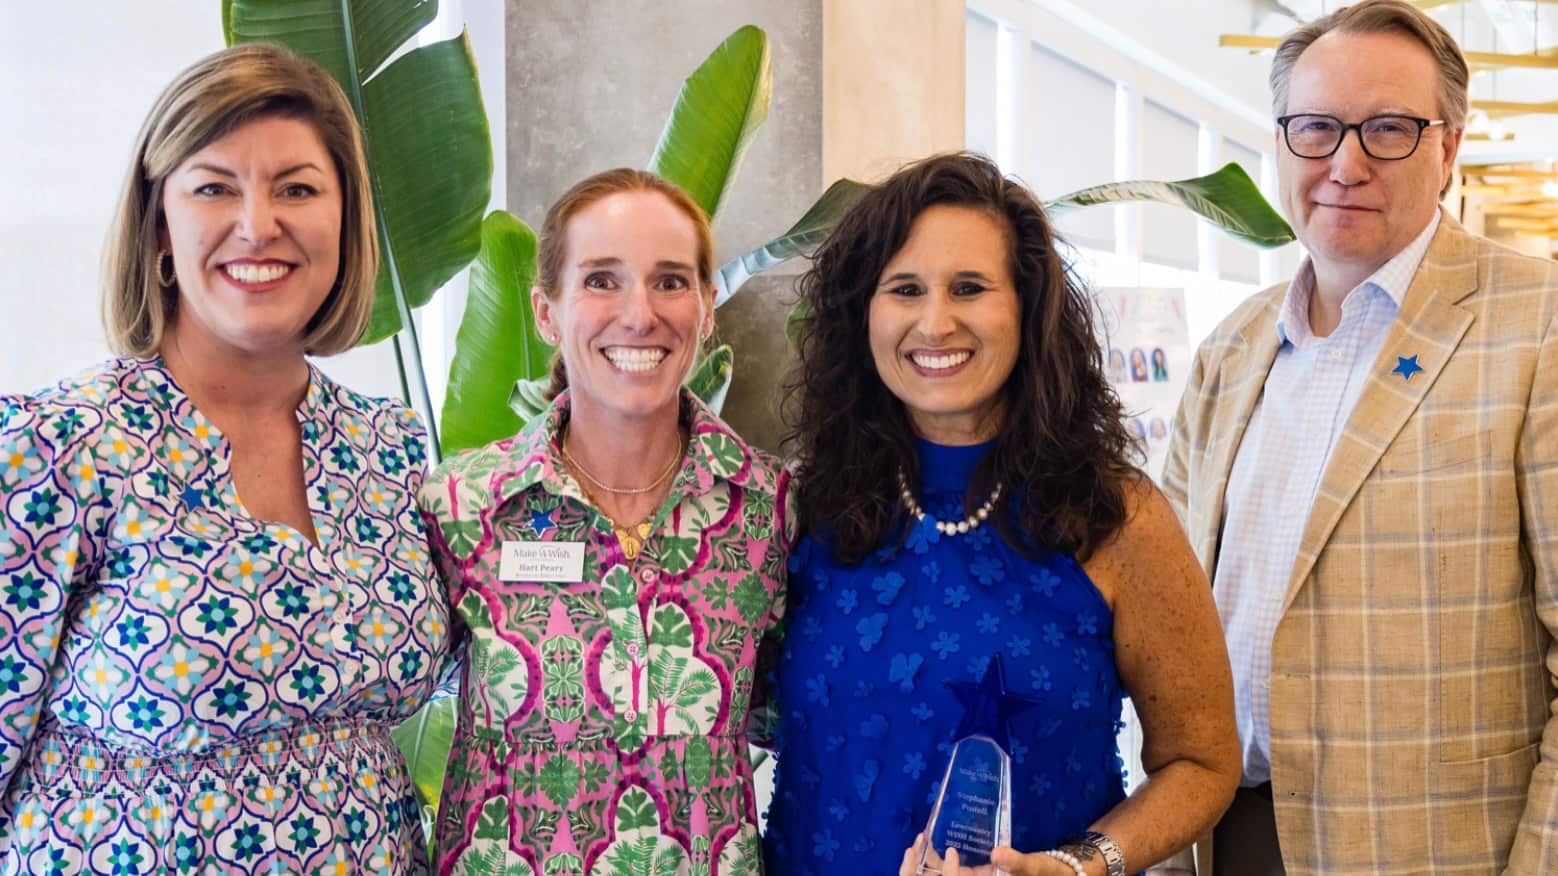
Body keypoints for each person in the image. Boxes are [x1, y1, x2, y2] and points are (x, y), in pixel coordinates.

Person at [0, 43, 446, 873]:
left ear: (345, 220)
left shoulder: (391, 447)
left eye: (297, 189)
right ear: (158, 226)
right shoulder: (58, 446)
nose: (258, 224)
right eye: (214, 188)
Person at [1163, 2, 1558, 872]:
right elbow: (1172, 616)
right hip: (1225, 836)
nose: (1346, 164)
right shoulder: (1231, 350)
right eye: (1316, 128)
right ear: (1281, 143)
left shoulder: (1539, 328)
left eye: (1388, 129)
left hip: (1441, 852)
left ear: (1448, 149)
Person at [766, 152, 1239, 876]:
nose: (935, 322)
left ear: (1027, 307)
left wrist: (1082, 865)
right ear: (863, 314)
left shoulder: (1116, 516)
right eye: (905, 289)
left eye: (970, 288)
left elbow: (1201, 763)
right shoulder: (797, 508)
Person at [418, 169, 789, 874]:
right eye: (601, 281)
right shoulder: (461, 505)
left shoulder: (769, 507)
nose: (639, 314)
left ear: (707, 308)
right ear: (546, 312)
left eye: (670, 281)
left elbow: (803, 716)